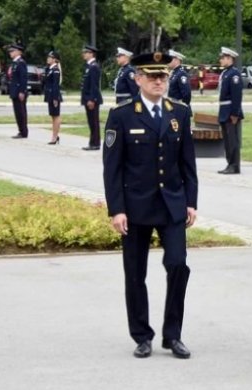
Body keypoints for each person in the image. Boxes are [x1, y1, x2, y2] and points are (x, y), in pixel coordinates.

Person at [102, 51, 198, 360]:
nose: (159, 81)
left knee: (178, 265)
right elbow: (112, 168)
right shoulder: (122, 114)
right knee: (135, 273)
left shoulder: (179, 113)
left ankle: (173, 335)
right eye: (152, 76)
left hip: (171, 204)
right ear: (138, 78)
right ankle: (142, 335)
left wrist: (191, 202)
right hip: (136, 207)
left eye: (163, 76)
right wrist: (116, 209)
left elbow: (188, 164)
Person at [217, 47, 244, 174]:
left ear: (230, 58)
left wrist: (235, 113)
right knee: (227, 140)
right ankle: (230, 163)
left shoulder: (234, 74)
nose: (220, 60)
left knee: (232, 140)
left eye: (223, 58)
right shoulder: (226, 73)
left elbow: (236, 96)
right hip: (224, 110)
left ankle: (234, 165)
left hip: (230, 111)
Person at [81, 44, 103, 151]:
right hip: (88, 98)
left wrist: (92, 99)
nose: (83, 54)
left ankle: (95, 143)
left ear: (91, 54)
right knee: (91, 121)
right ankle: (92, 142)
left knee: (94, 122)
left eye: (85, 52)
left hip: (92, 99)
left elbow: (94, 85)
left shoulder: (94, 67)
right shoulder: (89, 66)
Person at [7, 43, 28, 139]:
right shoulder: (15, 62)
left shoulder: (21, 63)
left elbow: (23, 78)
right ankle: (21, 130)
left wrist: (22, 91)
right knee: (17, 112)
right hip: (14, 91)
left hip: (19, 91)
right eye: (10, 51)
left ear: (18, 52)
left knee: (21, 112)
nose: (10, 53)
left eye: (12, 51)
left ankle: (23, 132)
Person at [44, 51, 63, 145]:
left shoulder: (55, 70)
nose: (48, 58)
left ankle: (54, 137)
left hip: (54, 96)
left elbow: (55, 85)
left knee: (56, 116)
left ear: (55, 59)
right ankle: (55, 135)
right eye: (48, 57)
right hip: (50, 95)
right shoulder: (49, 69)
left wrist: (55, 98)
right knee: (53, 116)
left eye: (50, 57)